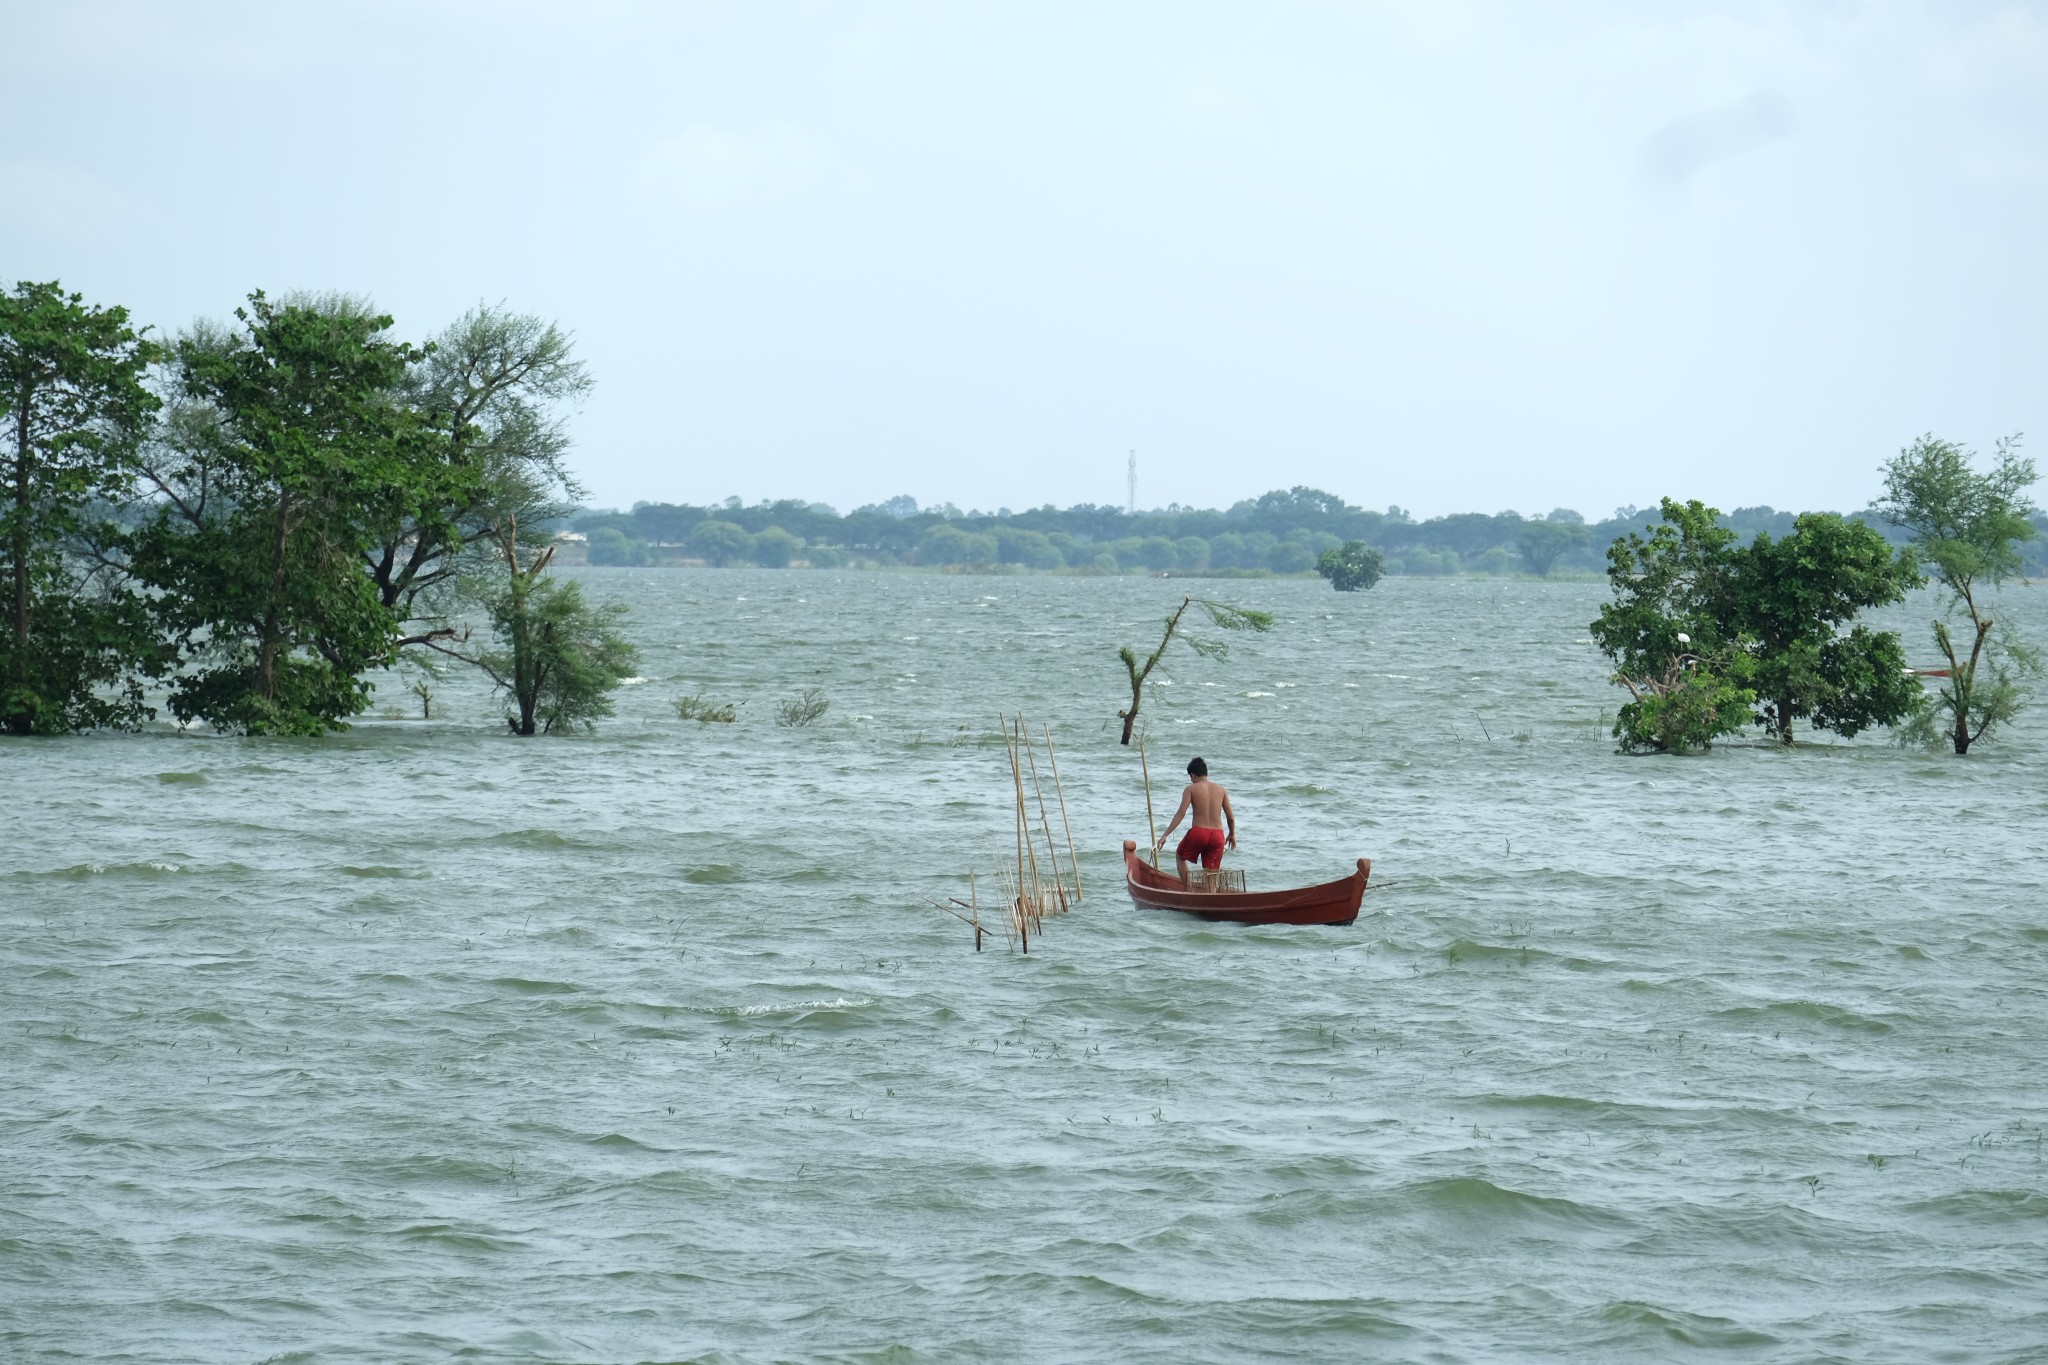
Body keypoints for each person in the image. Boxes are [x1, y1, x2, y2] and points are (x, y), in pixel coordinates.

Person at [1155, 756, 1236, 888]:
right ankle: (1210, 900)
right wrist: (1232, 834)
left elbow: (1181, 813)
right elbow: (1230, 817)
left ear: (1193, 776)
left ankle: (1189, 889)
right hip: (1217, 835)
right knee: (1211, 873)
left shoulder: (1191, 789)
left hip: (1199, 832)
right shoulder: (1221, 790)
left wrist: (1165, 835)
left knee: (1180, 856)